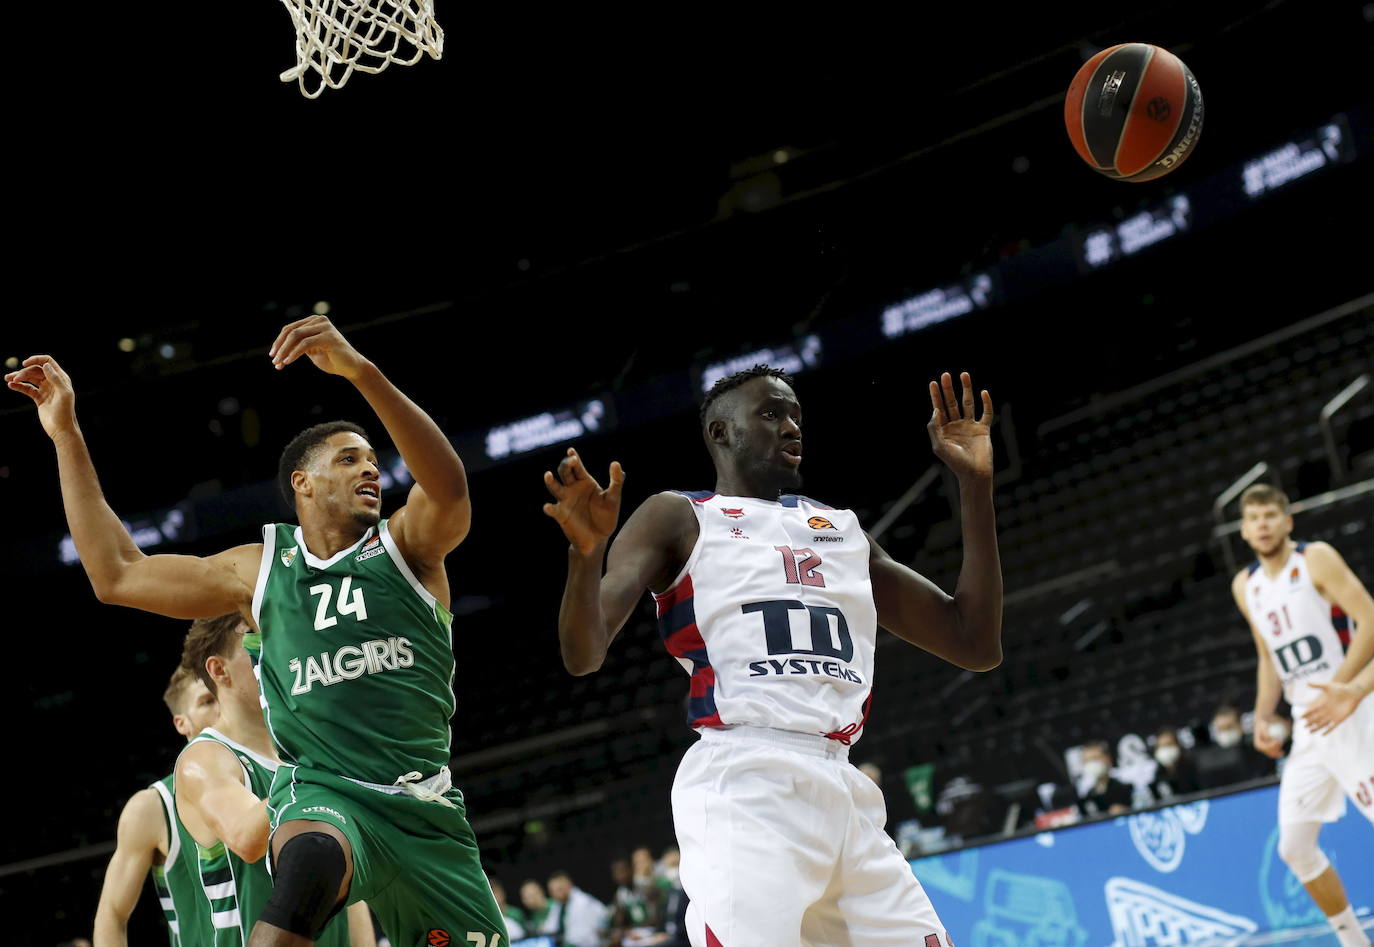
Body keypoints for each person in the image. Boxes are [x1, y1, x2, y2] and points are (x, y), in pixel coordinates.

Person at [5, 316, 505, 946]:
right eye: (348, 460)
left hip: (426, 808)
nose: (371, 471)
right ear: (303, 483)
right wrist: (66, 434)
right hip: (328, 797)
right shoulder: (260, 570)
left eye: (374, 460)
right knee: (313, 860)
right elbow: (118, 575)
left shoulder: (408, 546)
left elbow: (449, 485)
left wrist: (361, 372)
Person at [542, 367, 1001, 945]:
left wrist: (974, 487)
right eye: (770, 414)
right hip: (746, 780)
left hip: (844, 785)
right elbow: (582, 654)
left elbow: (974, 643)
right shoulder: (679, 516)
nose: (791, 427)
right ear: (720, 431)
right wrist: (587, 556)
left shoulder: (841, 530)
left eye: (796, 417)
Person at [1231, 483, 1374, 947]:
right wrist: (1262, 716)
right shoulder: (1244, 585)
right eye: (1254, 519)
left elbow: (1370, 618)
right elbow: (1268, 656)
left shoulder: (1316, 559)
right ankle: (1355, 942)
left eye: (1271, 515)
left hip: (1353, 711)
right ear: (1244, 530)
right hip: (1309, 727)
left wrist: (1347, 688)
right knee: (1294, 848)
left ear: (1288, 521)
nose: (1264, 525)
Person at [176, 614, 372, 946]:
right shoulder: (205, 758)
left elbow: (347, 879)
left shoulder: (304, 749)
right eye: (256, 644)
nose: (279, 652)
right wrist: (324, 764)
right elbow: (246, 839)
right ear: (219, 670)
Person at [94, 666, 219, 946]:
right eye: (207, 701)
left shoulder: (280, 776)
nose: (222, 707)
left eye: (224, 694)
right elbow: (111, 915)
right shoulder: (152, 807)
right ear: (181, 723)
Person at [546, 871, 608, 947]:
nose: (555, 894)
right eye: (552, 891)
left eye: (559, 889)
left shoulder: (582, 902)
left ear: (569, 885)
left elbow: (582, 936)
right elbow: (549, 929)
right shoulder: (558, 905)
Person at [1075, 741, 1132, 817]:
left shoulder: (1125, 787)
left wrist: (1126, 811)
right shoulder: (1088, 795)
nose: (1092, 764)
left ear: (1107, 759)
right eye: (1087, 761)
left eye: (1095, 759)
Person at [1149, 727, 1199, 800]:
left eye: (1169, 745)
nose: (1165, 750)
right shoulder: (1158, 774)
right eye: (1161, 746)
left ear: (1178, 745)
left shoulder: (1192, 768)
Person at [487, 876, 527, 941]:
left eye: (496, 892)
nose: (495, 896)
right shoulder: (490, 917)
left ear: (502, 893)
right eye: (492, 893)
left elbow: (526, 935)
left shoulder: (516, 913)